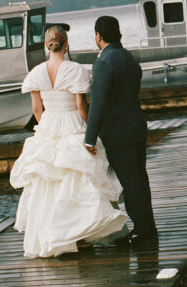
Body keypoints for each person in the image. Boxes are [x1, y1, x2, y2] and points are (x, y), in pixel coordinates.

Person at [10, 25, 128, 258]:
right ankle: (80, 234)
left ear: (47, 45)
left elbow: (36, 108)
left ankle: (53, 235)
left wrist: (47, 127)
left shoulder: (35, 73)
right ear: (67, 44)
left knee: (49, 182)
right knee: (78, 178)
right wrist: (88, 129)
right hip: (72, 123)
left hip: (48, 124)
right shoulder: (75, 70)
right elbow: (81, 105)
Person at [84, 15, 158, 245]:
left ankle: (142, 229)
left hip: (118, 132)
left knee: (130, 181)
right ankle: (148, 224)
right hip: (136, 125)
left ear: (98, 35)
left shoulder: (104, 62)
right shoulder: (128, 57)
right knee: (140, 178)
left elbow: (98, 103)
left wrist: (90, 137)